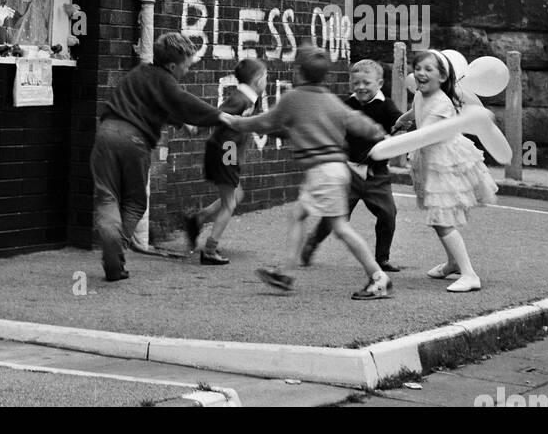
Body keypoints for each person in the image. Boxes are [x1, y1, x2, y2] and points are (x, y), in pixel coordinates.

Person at [224, 46, 393, 301]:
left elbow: (266, 122)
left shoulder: (294, 98)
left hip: (323, 172)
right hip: (334, 170)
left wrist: (234, 121)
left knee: (340, 228)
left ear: (298, 72)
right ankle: (286, 273)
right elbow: (359, 122)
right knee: (298, 214)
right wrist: (378, 132)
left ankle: (378, 277)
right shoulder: (330, 99)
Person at [89, 31, 226, 283]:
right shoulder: (167, 81)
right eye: (186, 65)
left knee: (107, 195)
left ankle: (110, 237)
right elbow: (181, 100)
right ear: (173, 65)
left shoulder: (139, 74)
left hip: (106, 134)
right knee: (134, 201)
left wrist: (182, 124)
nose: (187, 70)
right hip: (134, 141)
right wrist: (220, 116)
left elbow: (156, 103)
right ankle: (116, 248)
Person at [405, 49, 498, 292]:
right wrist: (404, 118)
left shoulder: (443, 104)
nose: (421, 73)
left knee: (442, 219)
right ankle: (453, 263)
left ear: (443, 77)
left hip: (445, 165)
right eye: (418, 68)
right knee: (438, 220)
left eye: (428, 69)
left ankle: (470, 274)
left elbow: (425, 134)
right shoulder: (421, 93)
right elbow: (417, 111)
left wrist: (389, 143)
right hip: (430, 160)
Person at [301, 58, 402, 272]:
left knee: (388, 214)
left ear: (380, 84)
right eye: (356, 83)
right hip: (349, 171)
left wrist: (402, 129)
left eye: (366, 83)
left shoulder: (387, 106)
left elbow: (398, 124)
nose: (361, 87)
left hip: (377, 173)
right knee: (334, 215)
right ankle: (313, 242)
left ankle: (382, 258)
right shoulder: (346, 105)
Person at [182, 58, 268, 265]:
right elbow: (217, 114)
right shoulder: (240, 99)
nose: (267, 80)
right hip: (226, 152)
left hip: (226, 151)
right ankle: (210, 250)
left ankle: (198, 219)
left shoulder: (249, 98)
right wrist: (196, 128)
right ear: (257, 79)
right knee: (230, 202)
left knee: (236, 194)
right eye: (265, 77)